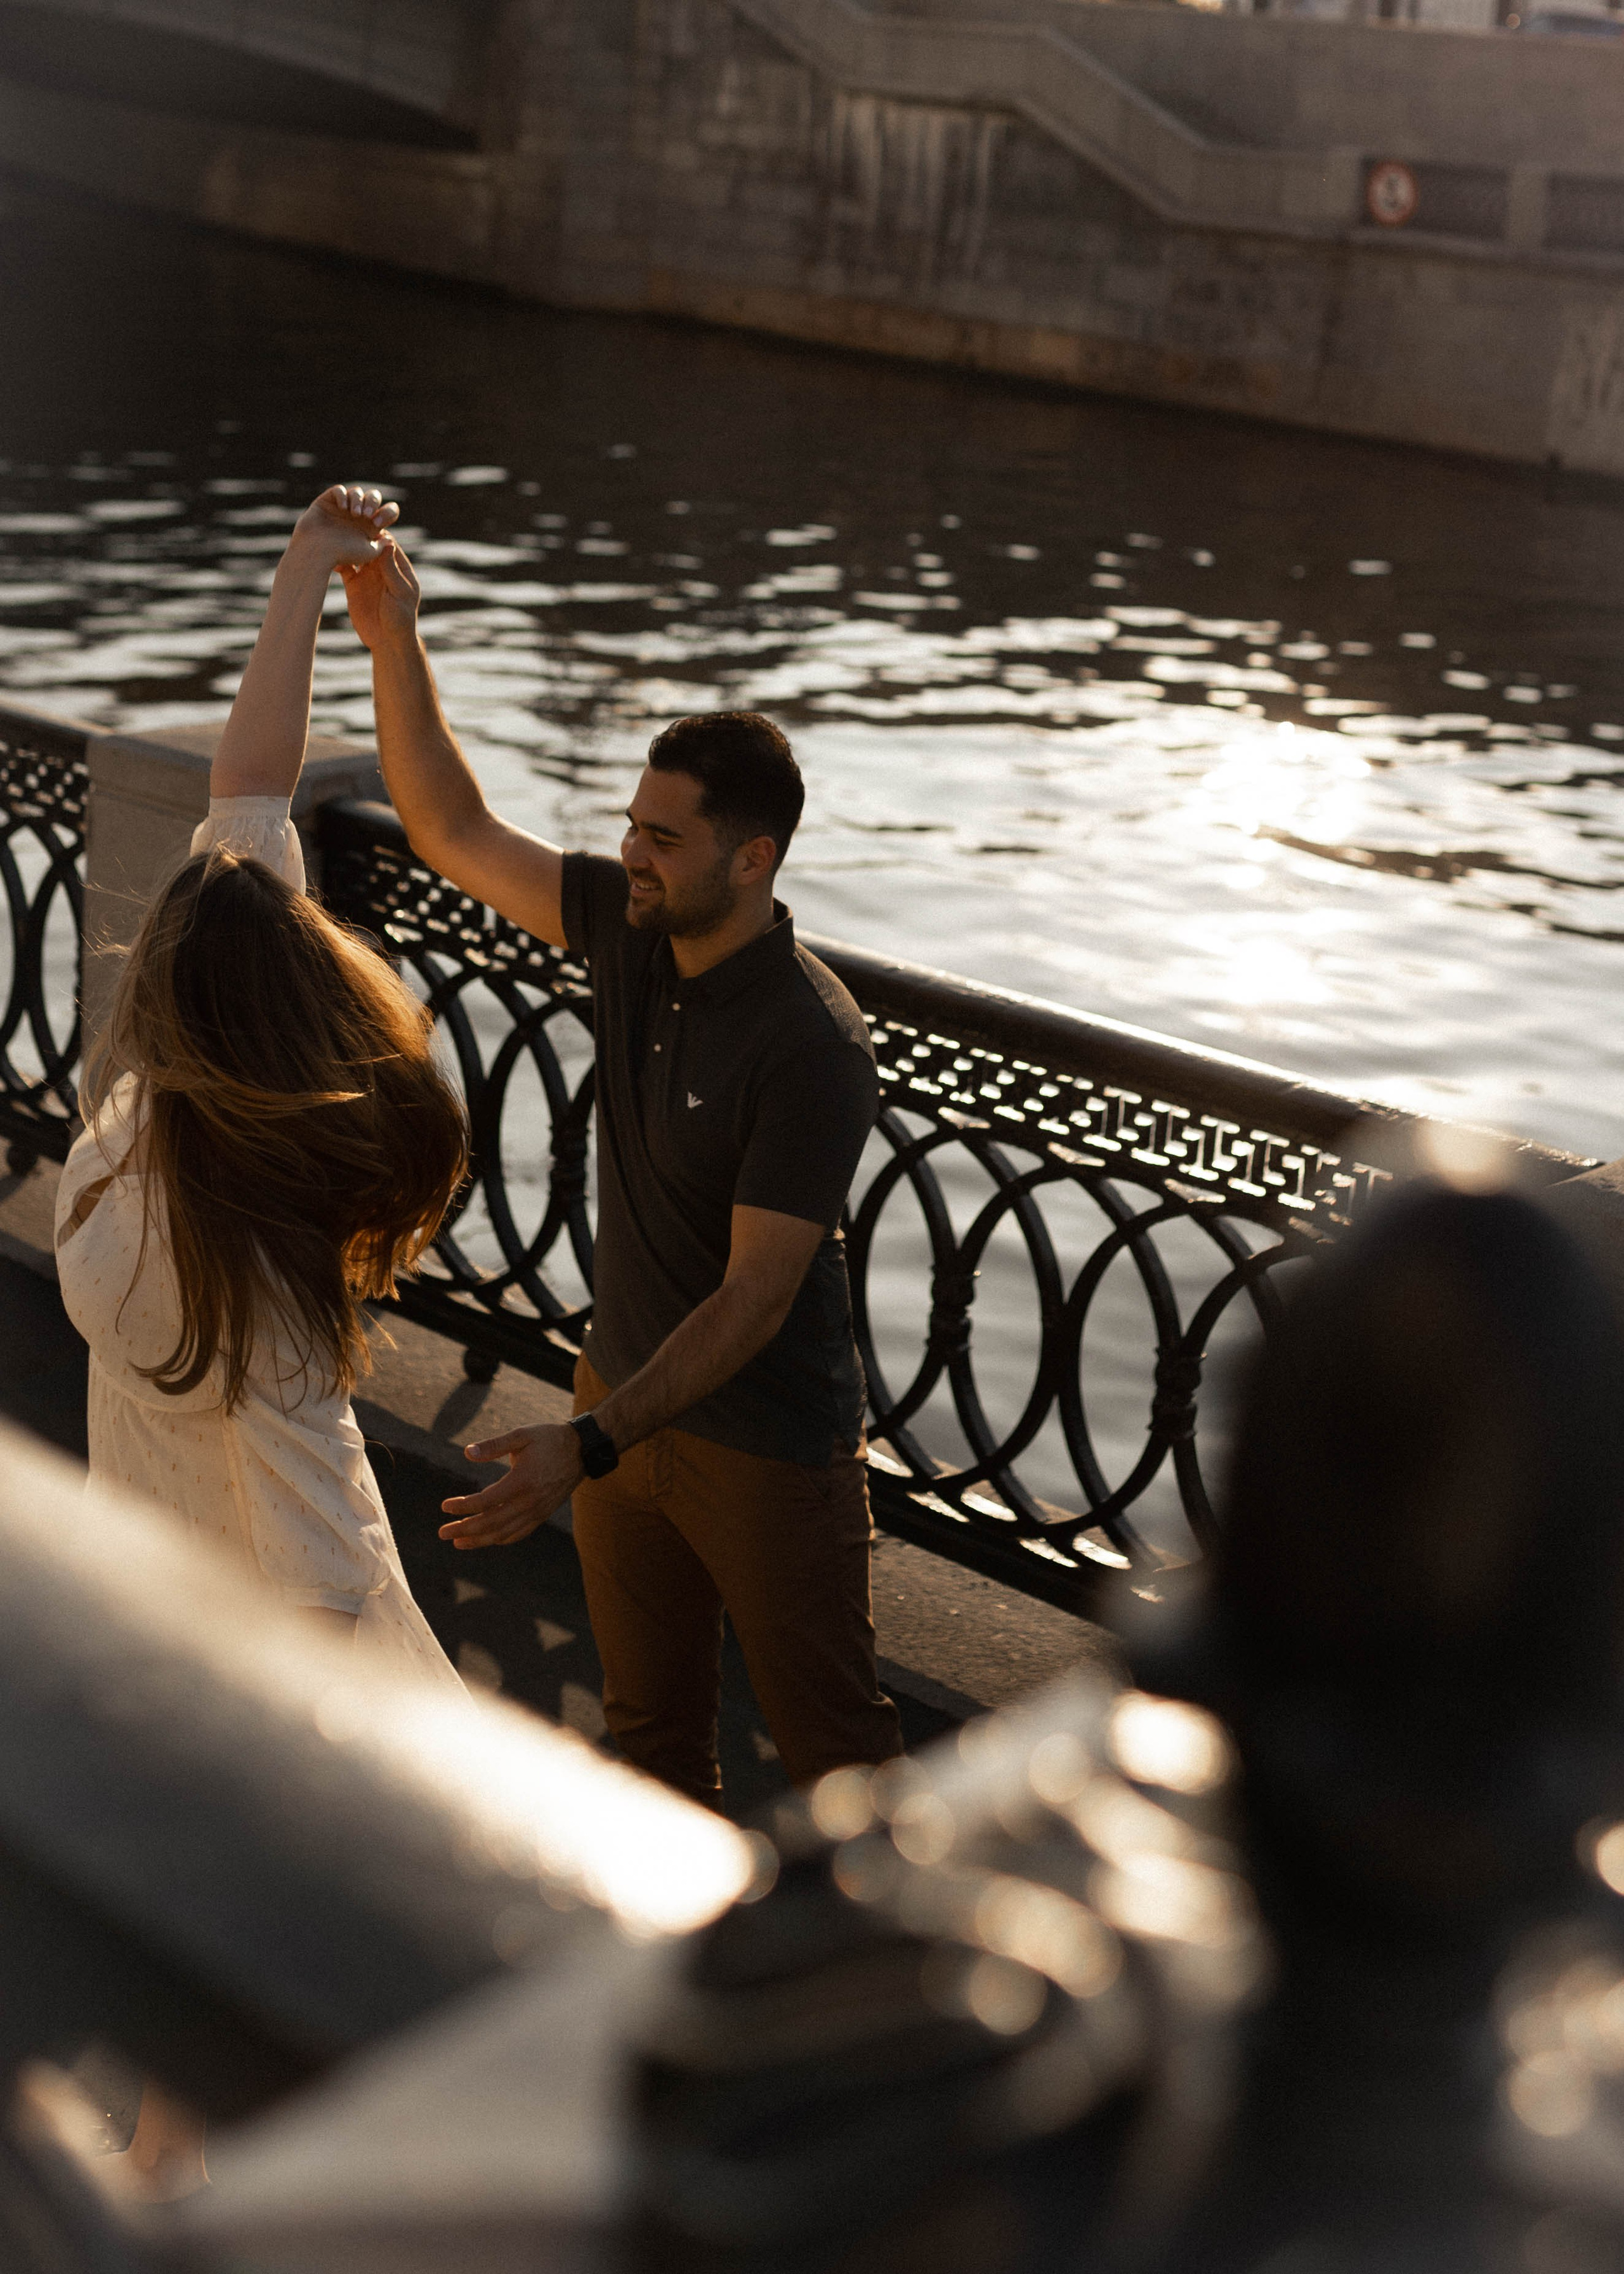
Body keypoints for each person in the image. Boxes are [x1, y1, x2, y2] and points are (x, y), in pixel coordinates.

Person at [341, 533, 904, 1806]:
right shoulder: (631, 932)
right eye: (630, 828)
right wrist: (394, 640)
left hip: (762, 1454)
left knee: (839, 1766)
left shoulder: (810, 1044)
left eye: (663, 836)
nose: (632, 854)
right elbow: (448, 823)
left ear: (750, 858)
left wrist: (584, 1445)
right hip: (614, 1412)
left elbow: (759, 1296)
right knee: (648, 1740)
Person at [56, 484, 469, 1692]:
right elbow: (247, 803)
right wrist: (303, 579)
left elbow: (245, 799)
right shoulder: (213, 1202)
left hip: (185, 1640)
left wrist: (300, 578)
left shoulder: (165, 1179)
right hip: (195, 1640)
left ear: (178, 1008)